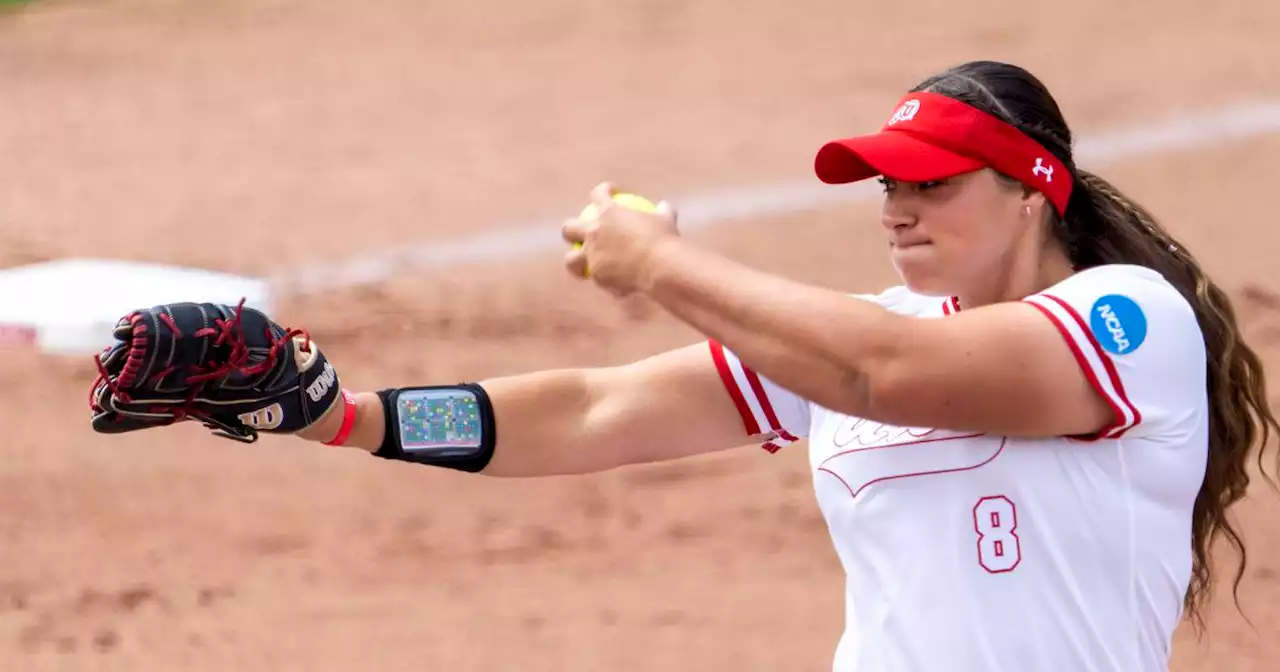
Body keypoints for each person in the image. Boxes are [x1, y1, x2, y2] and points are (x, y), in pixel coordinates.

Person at [89, 60, 1278, 672]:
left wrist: (656, 259)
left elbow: (882, 379)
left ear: (1033, 191)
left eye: (932, 182)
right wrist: (336, 414)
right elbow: (598, 409)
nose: (896, 208)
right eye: (886, 184)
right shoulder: (854, 339)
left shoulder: (1126, 322)